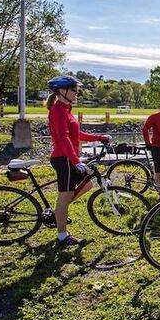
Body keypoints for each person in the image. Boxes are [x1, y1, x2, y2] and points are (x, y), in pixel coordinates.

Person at [46, 75, 111, 248]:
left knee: (87, 184)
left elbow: (76, 136)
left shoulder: (66, 111)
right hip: (64, 159)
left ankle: (59, 211)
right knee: (64, 197)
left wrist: (99, 137)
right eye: (74, 90)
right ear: (62, 91)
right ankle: (62, 237)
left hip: (69, 158)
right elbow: (63, 138)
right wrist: (75, 160)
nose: (77, 93)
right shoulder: (58, 111)